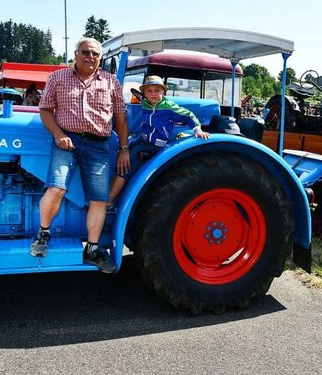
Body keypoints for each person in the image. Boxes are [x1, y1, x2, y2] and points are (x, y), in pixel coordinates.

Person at [32, 37, 129, 273]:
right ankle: (43, 233)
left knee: (99, 199)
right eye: (85, 52)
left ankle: (92, 249)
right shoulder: (58, 77)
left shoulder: (110, 82)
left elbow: (120, 117)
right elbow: (45, 109)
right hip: (67, 141)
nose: (91, 57)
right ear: (75, 54)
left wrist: (124, 149)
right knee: (56, 187)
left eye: (96, 54)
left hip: (98, 145)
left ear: (100, 58)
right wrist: (57, 134)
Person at [107, 75, 210, 205]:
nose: (153, 93)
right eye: (149, 91)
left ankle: (109, 201)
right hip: (142, 139)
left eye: (157, 90)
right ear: (144, 93)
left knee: (125, 166)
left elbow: (188, 115)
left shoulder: (168, 106)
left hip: (153, 146)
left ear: (163, 91)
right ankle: (109, 191)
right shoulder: (146, 103)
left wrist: (197, 130)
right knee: (121, 155)